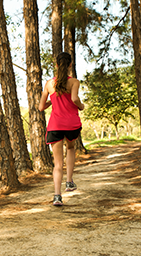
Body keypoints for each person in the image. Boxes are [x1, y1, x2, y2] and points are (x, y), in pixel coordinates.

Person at [39, 52, 84, 206]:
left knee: (57, 164)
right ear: (70, 65)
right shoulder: (74, 82)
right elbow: (74, 99)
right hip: (71, 124)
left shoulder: (49, 84)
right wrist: (81, 106)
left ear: (56, 65)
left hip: (55, 125)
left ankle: (57, 196)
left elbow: (40, 107)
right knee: (70, 149)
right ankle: (69, 182)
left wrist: (52, 102)